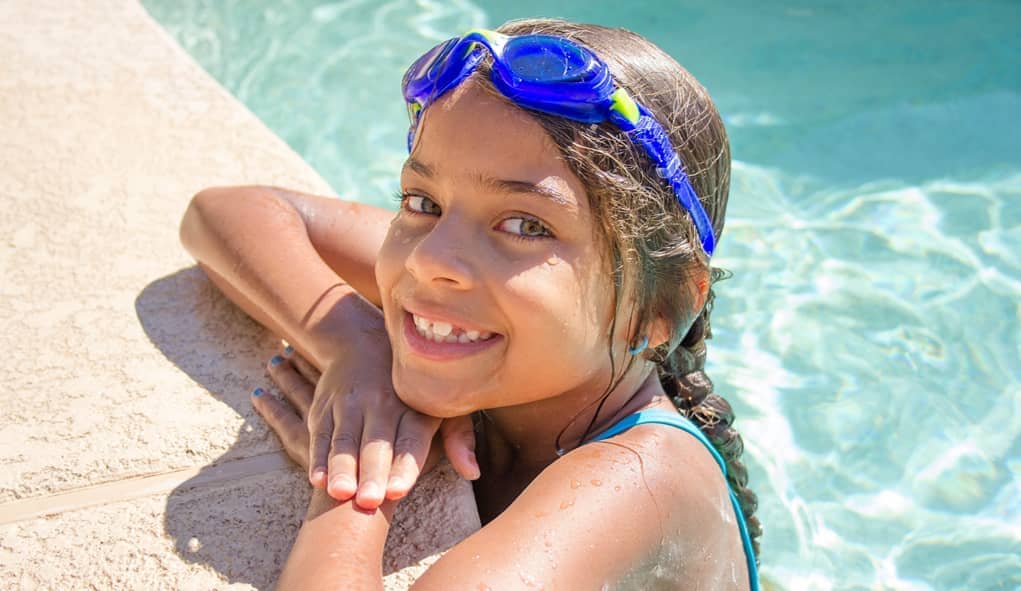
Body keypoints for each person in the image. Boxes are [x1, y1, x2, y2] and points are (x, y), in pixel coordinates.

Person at [180, 18, 762, 590]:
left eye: (525, 225)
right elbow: (227, 214)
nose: (431, 260)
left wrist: (358, 479)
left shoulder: (640, 478)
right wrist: (352, 343)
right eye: (422, 199)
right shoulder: (458, 265)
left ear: (662, 307)